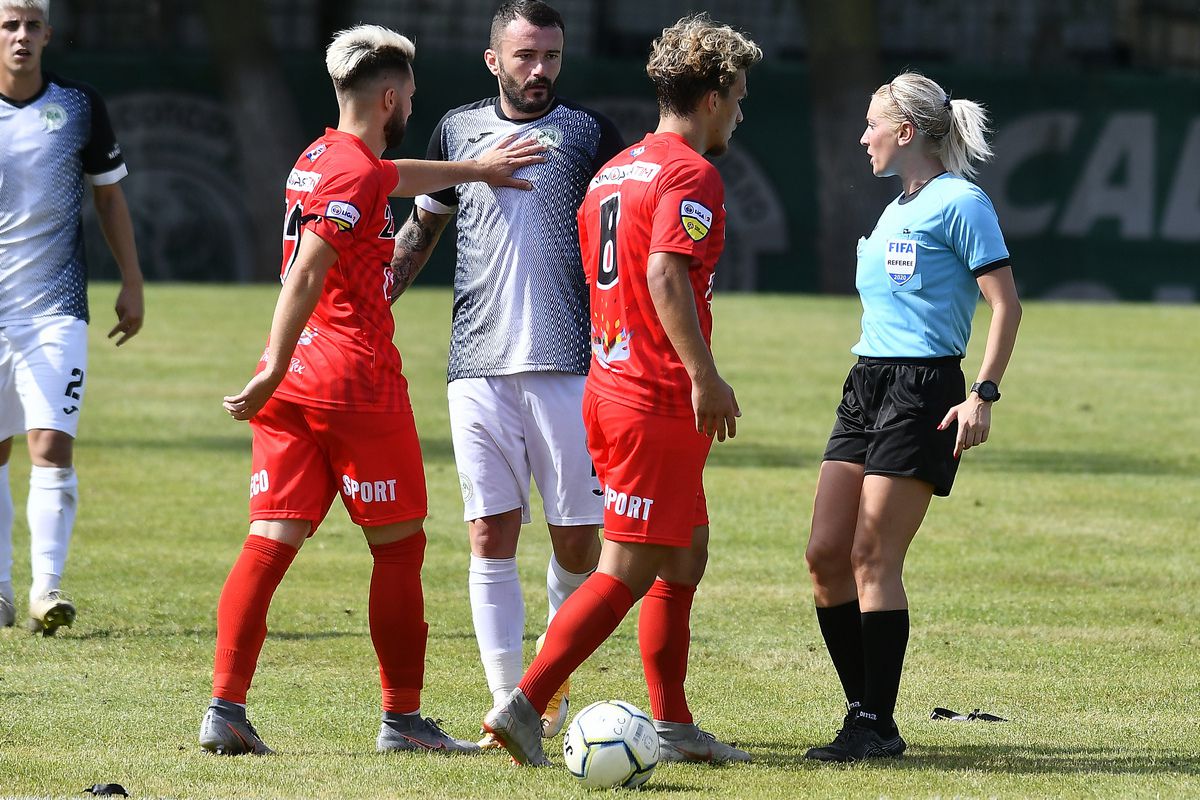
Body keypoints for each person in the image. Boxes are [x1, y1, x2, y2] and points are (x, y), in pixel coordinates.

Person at [197, 23, 545, 757]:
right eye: (410, 95)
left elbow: (394, 177)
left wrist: (474, 172)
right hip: (351, 382)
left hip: (295, 386)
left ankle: (224, 708)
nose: (413, 104)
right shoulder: (354, 171)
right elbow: (309, 269)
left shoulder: (321, 156)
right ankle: (403, 719)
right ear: (389, 97)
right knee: (398, 550)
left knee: (271, 540)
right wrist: (271, 362)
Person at [481, 13, 762, 767]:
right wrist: (704, 375)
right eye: (737, 97)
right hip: (655, 396)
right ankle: (524, 702)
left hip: (609, 387)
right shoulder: (690, 172)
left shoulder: (617, 168)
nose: (740, 111)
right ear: (710, 98)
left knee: (687, 550)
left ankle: (670, 724)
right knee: (627, 568)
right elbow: (664, 272)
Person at [387, 0, 623, 744]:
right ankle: (506, 702)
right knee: (489, 533)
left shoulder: (589, 134)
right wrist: (381, 290)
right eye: (525, 56)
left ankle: (545, 684)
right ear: (494, 59)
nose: (540, 71)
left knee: (577, 543)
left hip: (567, 364)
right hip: (477, 364)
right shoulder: (456, 130)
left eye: (551, 56)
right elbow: (422, 225)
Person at [803, 72, 1022, 762]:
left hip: (924, 388)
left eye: (872, 124)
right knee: (825, 556)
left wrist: (981, 395)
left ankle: (874, 722)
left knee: (873, 555)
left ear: (905, 133)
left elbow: (1005, 306)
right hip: (865, 382)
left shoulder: (963, 203)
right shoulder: (897, 205)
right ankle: (864, 713)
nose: (862, 136)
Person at [0, 0, 145, 634]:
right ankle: (0, 593)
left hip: (56, 310)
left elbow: (109, 198)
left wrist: (132, 280)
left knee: (51, 445)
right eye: (9, 24)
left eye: (32, 25)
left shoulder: (78, 105)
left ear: (49, 34)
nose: (21, 36)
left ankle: (46, 591)